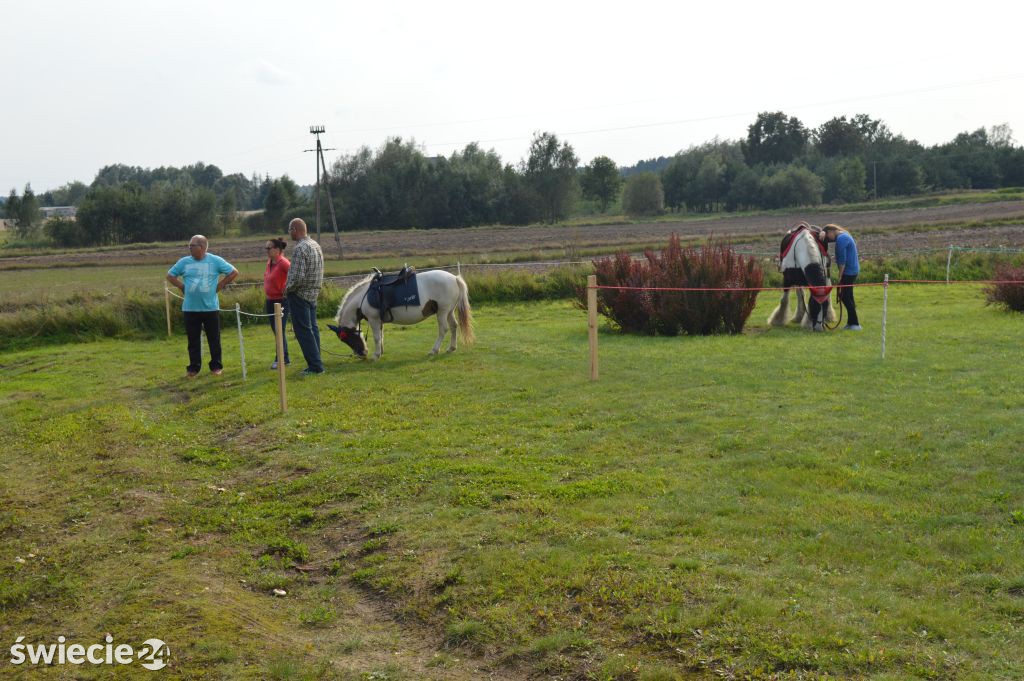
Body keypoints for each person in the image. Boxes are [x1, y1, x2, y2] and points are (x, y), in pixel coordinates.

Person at [166, 235, 239, 377]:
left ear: (202, 247)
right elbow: (170, 275)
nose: (189, 248)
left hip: (210, 308)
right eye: (189, 246)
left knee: (214, 339)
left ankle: (216, 366)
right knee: (193, 340)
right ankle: (193, 368)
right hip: (190, 308)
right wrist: (182, 286)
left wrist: (220, 285)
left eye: (192, 246)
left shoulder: (215, 260)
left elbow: (233, 272)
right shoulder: (184, 262)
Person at [284, 218, 325, 374]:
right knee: (312, 329)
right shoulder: (316, 245)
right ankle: (317, 360)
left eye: (289, 230)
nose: (289, 234)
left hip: (300, 295)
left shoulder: (300, 248)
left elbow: (297, 277)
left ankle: (315, 367)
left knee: (303, 331)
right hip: (313, 293)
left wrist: (287, 288)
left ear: (295, 229)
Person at [820, 224, 861, 330]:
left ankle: (855, 324)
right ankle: (851, 323)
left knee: (845, 297)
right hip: (853, 270)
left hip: (848, 272)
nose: (829, 240)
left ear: (830, 232)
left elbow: (842, 261)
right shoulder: (845, 235)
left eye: (828, 237)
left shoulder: (841, 239)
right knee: (848, 296)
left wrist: (840, 276)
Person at [263, 237, 291, 369]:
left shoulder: (283, 263)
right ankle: (284, 357)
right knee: (276, 330)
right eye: (266, 248)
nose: (266, 250)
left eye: (269, 248)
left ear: (277, 250)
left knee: (279, 330)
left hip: (281, 301)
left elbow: (294, 275)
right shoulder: (269, 262)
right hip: (270, 300)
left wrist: (287, 287)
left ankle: (281, 358)